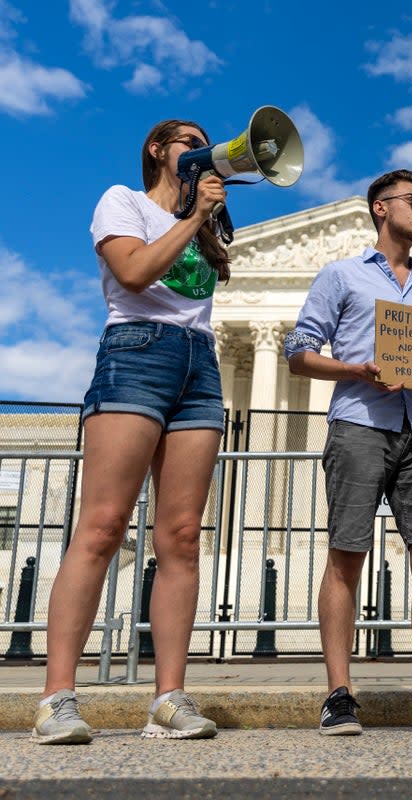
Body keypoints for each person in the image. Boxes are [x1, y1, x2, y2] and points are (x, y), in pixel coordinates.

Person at [33, 120, 229, 744]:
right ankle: (57, 698)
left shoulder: (201, 217)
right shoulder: (123, 201)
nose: (201, 148)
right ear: (157, 149)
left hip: (201, 361)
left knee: (182, 536)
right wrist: (191, 215)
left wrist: (206, 221)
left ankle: (168, 698)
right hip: (137, 352)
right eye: (189, 141)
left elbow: (211, 280)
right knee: (103, 525)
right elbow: (137, 272)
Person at [284, 169, 412, 736]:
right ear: (380, 208)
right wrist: (356, 369)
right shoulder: (340, 275)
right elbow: (298, 352)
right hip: (358, 425)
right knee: (347, 555)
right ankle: (339, 695)